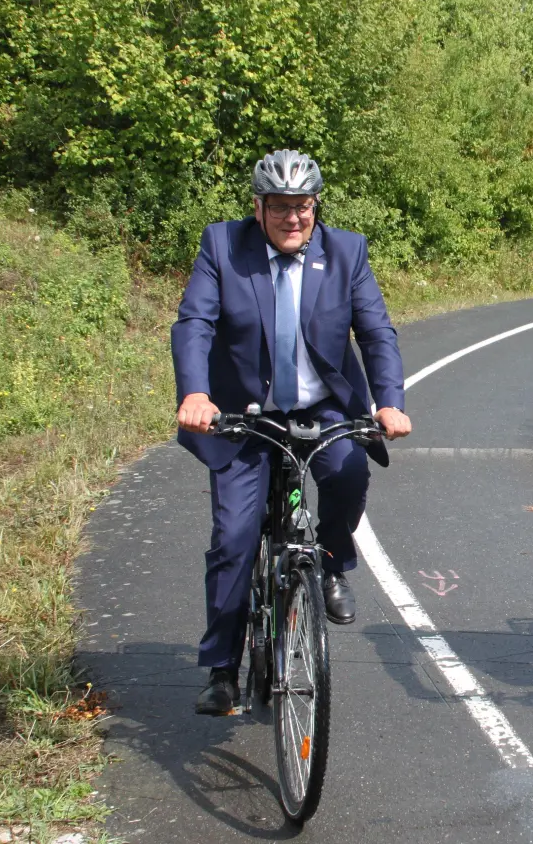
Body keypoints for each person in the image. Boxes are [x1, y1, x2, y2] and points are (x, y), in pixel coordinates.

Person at [172, 149, 412, 715]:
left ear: (315, 207)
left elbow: (377, 332)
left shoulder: (346, 251)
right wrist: (195, 393)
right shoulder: (222, 246)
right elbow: (195, 323)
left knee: (349, 471)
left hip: (322, 405)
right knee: (234, 537)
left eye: (303, 207)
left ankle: (330, 566)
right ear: (258, 208)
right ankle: (223, 667)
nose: (293, 219)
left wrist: (390, 403)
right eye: (280, 207)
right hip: (244, 416)